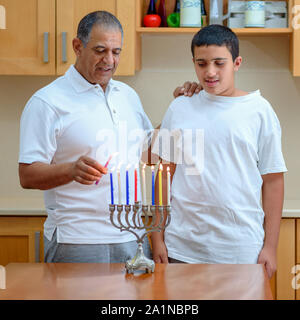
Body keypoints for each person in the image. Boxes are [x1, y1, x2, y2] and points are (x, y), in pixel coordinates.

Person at [18, 11, 193, 263]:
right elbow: (27, 174)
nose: (109, 60)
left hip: (131, 235)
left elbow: (147, 151)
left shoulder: (127, 95)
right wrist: (70, 170)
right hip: (76, 240)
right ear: (78, 46)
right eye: (100, 50)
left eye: (116, 51)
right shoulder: (47, 102)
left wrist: (180, 107)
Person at [151, 24, 287, 279]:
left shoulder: (259, 111)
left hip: (241, 250)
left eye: (219, 63)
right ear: (193, 63)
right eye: (201, 64)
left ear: (237, 63)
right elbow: (162, 175)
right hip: (182, 248)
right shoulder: (179, 107)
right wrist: (157, 238)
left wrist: (270, 247)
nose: (210, 72)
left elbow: (273, 181)